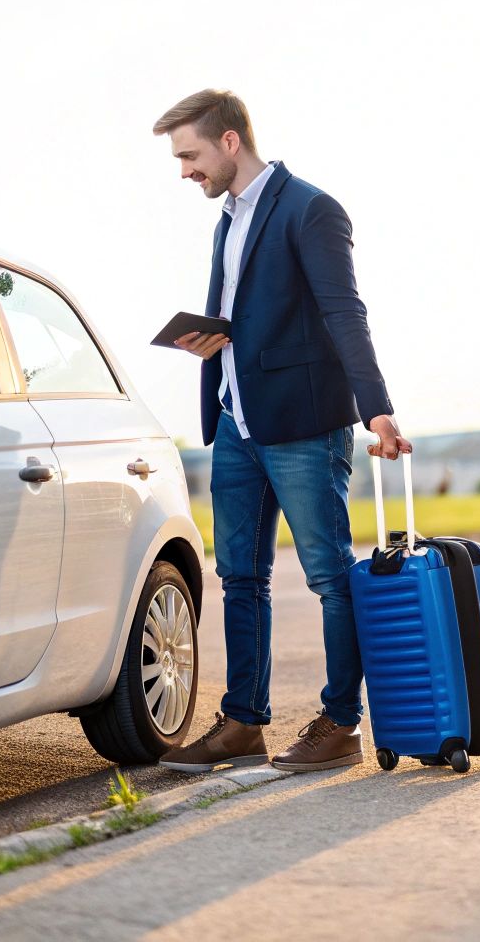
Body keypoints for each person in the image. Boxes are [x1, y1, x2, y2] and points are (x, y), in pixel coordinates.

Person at [150, 89, 412, 774]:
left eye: (190, 155)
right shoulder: (228, 221)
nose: (185, 171)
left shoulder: (311, 209)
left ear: (230, 141)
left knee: (329, 576)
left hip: (301, 426)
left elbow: (342, 312)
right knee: (240, 577)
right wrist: (213, 342)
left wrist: (375, 408)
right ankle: (243, 724)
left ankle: (341, 726)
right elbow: (257, 317)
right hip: (237, 421)